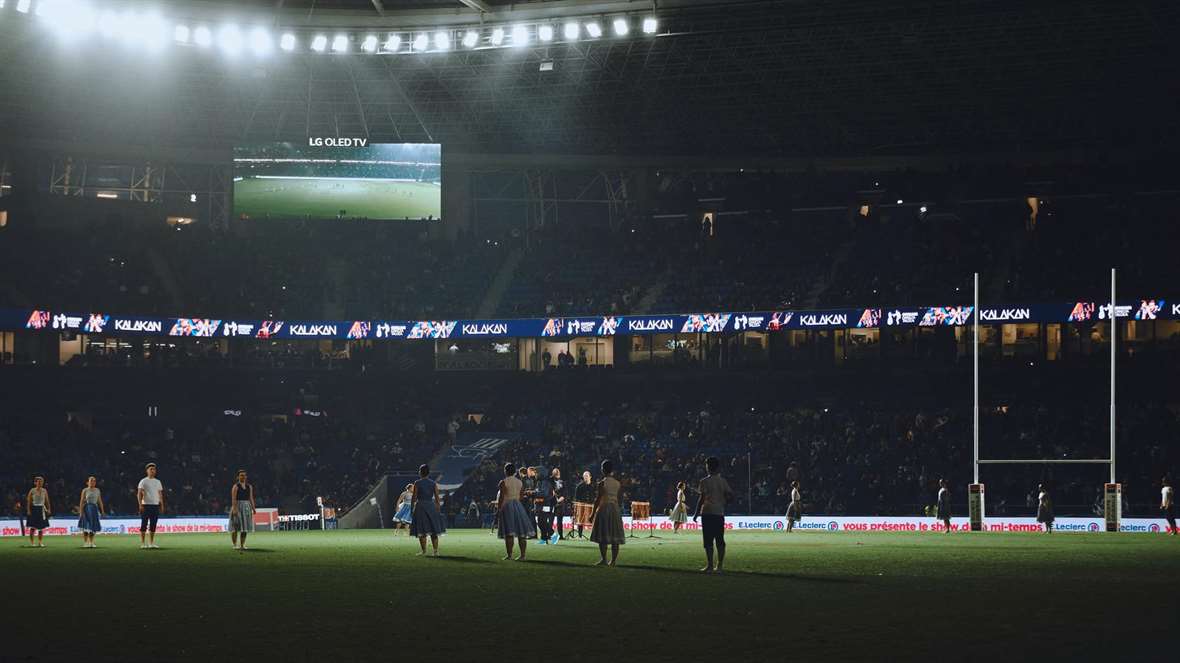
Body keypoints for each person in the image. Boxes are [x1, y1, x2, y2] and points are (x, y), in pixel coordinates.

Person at [693, 456, 733, 573]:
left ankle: (710, 566)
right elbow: (731, 495)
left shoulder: (704, 481)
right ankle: (719, 566)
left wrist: (696, 514)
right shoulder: (722, 481)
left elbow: (701, 499)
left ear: (708, 467)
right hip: (719, 513)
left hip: (707, 513)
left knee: (708, 540)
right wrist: (724, 502)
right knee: (720, 540)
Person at [496, 462, 536, 561]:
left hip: (507, 506)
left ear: (505, 471)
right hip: (518, 506)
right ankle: (523, 555)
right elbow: (521, 496)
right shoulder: (519, 482)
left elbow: (501, 497)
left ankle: (509, 555)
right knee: (521, 533)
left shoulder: (503, 482)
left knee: (509, 532)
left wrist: (499, 508)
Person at [590, 460, 626, 566]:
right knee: (615, 535)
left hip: (604, 508)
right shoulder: (617, 483)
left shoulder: (602, 483)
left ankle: (604, 559)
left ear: (603, 470)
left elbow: (598, 499)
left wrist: (592, 514)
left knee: (603, 534)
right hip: (615, 509)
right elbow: (620, 499)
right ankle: (613, 561)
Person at [410, 464, 446, 557]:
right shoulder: (433, 483)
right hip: (431, 506)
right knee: (434, 529)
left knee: (421, 530)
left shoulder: (417, 483)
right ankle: (435, 551)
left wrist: (412, 507)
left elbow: (414, 497)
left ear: (420, 472)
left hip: (420, 507)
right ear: (428, 473)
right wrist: (438, 509)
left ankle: (424, 551)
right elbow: (437, 498)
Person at [137, 463, 165, 549]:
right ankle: (143, 543)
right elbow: (139, 494)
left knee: (153, 525)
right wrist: (140, 504)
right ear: (147, 471)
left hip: (155, 505)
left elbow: (160, 494)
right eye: (151, 469)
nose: (153, 471)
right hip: (145, 505)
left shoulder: (158, 481)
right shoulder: (143, 481)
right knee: (144, 524)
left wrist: (162, 505)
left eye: (154, 469)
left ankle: (151, 543)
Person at [230, 470, 256, 550]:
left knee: (245, 527)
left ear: (246, 477)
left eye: (244, 475)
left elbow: (251, 498)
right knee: (235, 527)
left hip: (246, 507)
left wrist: (253, 508)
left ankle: (242, 545)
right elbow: (233, 499)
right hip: (238, 506)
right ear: (238, 477)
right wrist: (234, 509)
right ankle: (235, 544)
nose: (243, 477)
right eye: (241, 475)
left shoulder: (249, 486)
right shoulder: (235, 486)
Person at [77, 476, 105, 548]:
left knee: (93, 527)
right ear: (87, 482)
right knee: (86, 527)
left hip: (94, 509)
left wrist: (102, 511)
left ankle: (91, 542)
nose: (93, 482)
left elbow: (100, 501)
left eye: (94, 481)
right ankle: (85, 542)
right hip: (86, 509)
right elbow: (81, 501)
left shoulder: (97, 490)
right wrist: (81, 512)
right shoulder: (85, 490)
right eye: (91, 481)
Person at [26, 476, 52, 548]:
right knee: (32, 527)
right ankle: (32, 543)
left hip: (41, 509)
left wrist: (49, 509)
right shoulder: (32, 490)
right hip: (34, 509)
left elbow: (47, 501)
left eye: (41, 482)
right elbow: (29, 501)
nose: (40, 483)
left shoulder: (44, 490)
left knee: (41, 528)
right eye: (39, 481)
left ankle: (40, 542)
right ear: (35, 482)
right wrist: (28, 510)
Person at [535, 468, 555, 544]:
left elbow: (544, 494)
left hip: (545, 504)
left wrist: (533, 493)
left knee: (542, 522)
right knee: (541, 522)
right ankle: (544, 539)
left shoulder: (545, 482)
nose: (536, 474)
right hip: (541, 504)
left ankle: (553, 535)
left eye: (536, 473)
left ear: (541, 473)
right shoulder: (540, 482)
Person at [573, 470, 594, 539]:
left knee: (593, 520)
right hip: (582, 505)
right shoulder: (579, 486)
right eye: (584, 476)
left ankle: (594, 535)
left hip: (591, 505)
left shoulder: (593, 486)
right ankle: (580, 535)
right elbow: (576, 497)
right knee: (580, 520)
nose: (585, 477)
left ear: (590, 477)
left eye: (587, 476)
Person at [550, 468, 566, 542]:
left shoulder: (562, 482)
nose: (557, 475)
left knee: (560, 521)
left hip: (560, 503)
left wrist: (559, 499)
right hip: (552, 503)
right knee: (551, 519)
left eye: (558, 473)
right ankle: (550, 534)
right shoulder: (550, 482)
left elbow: (564, 493)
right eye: (556, 473)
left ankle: (561, 535)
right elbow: (550, 491)